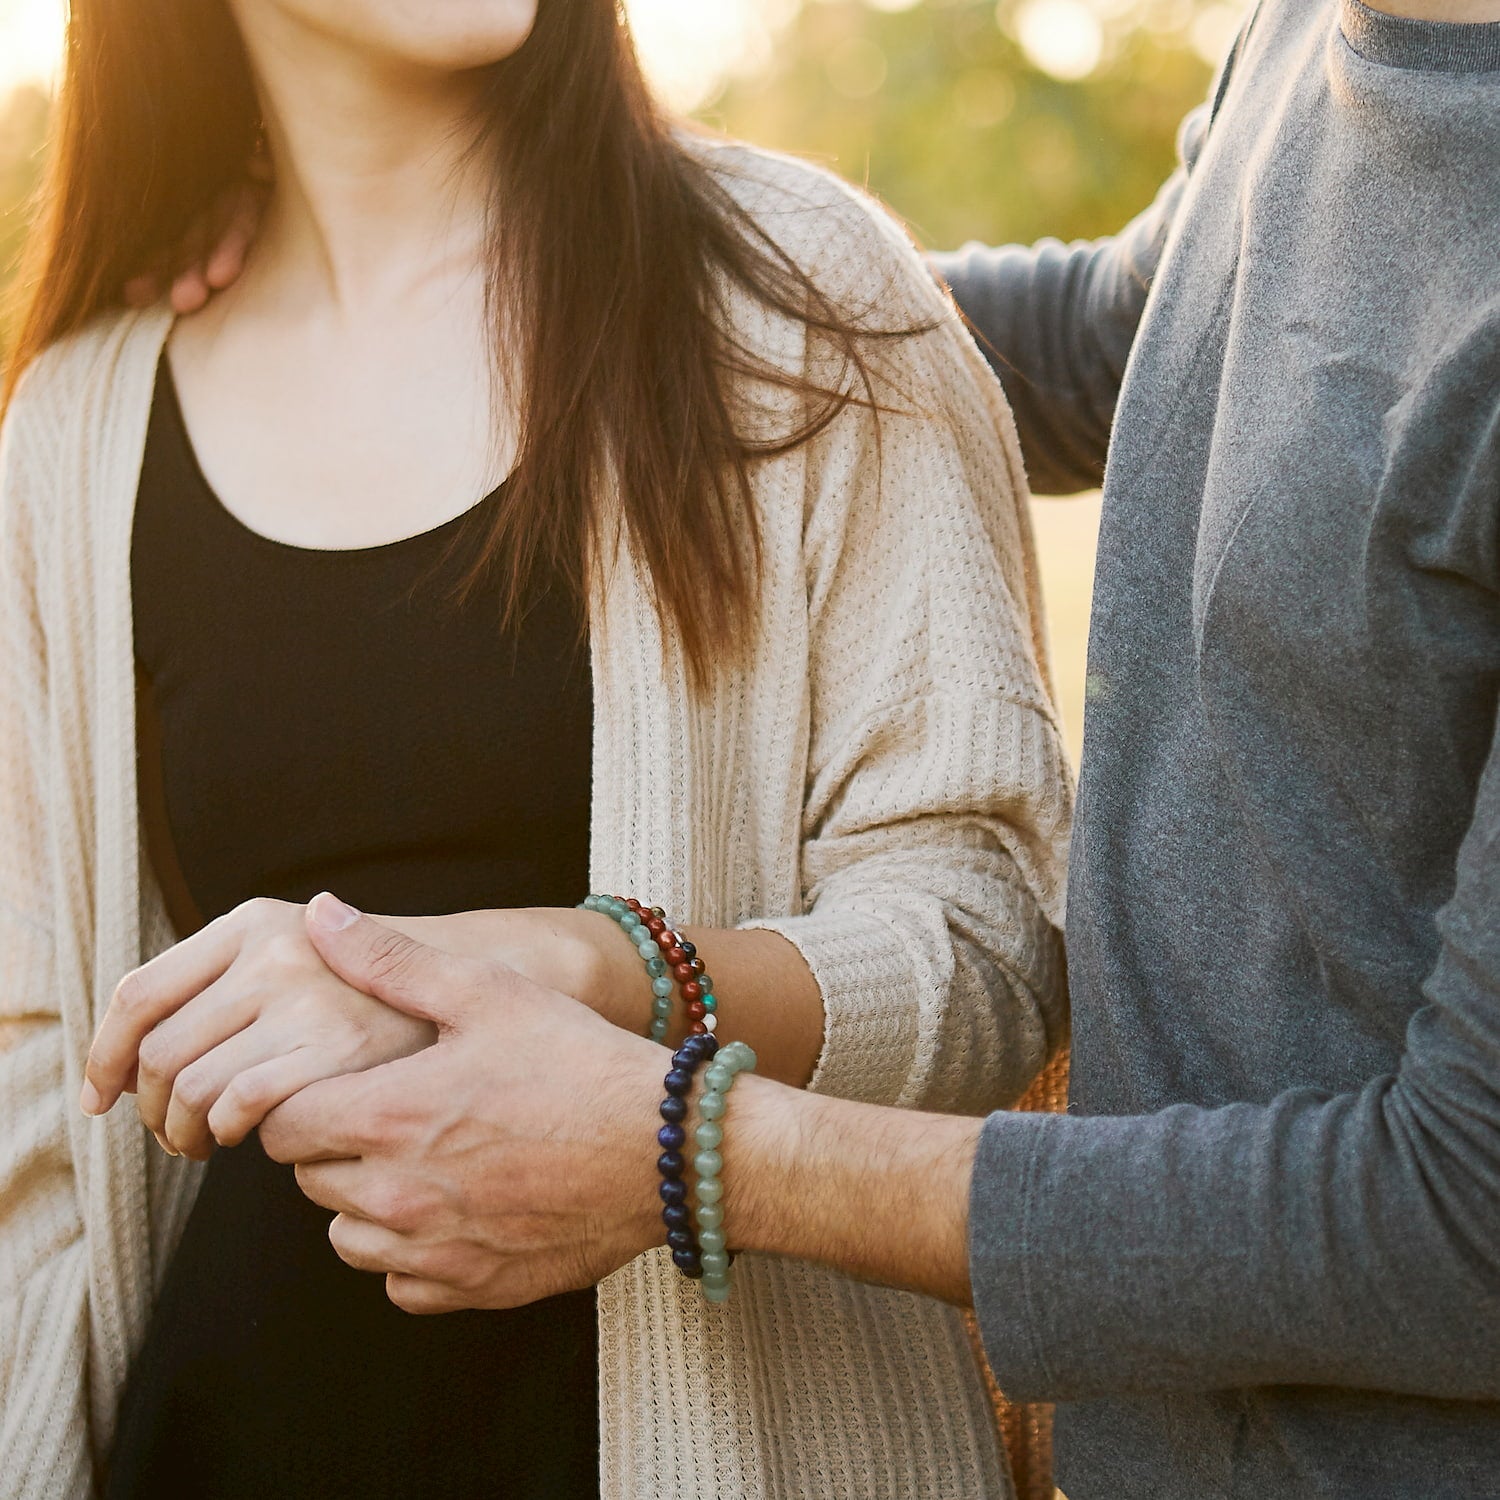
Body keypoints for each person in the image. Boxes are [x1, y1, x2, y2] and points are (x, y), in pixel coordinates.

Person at [79, 0, 1500, 1496]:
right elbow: (1117, 331)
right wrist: (423, 286)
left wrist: (687, 1145)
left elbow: (1467, 1224)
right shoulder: (1317, 32)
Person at [0, 0, 1075, 1496]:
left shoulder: (798, 297)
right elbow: (32, 1111)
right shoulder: (76, 426)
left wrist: (586, 962)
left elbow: (991, 947)